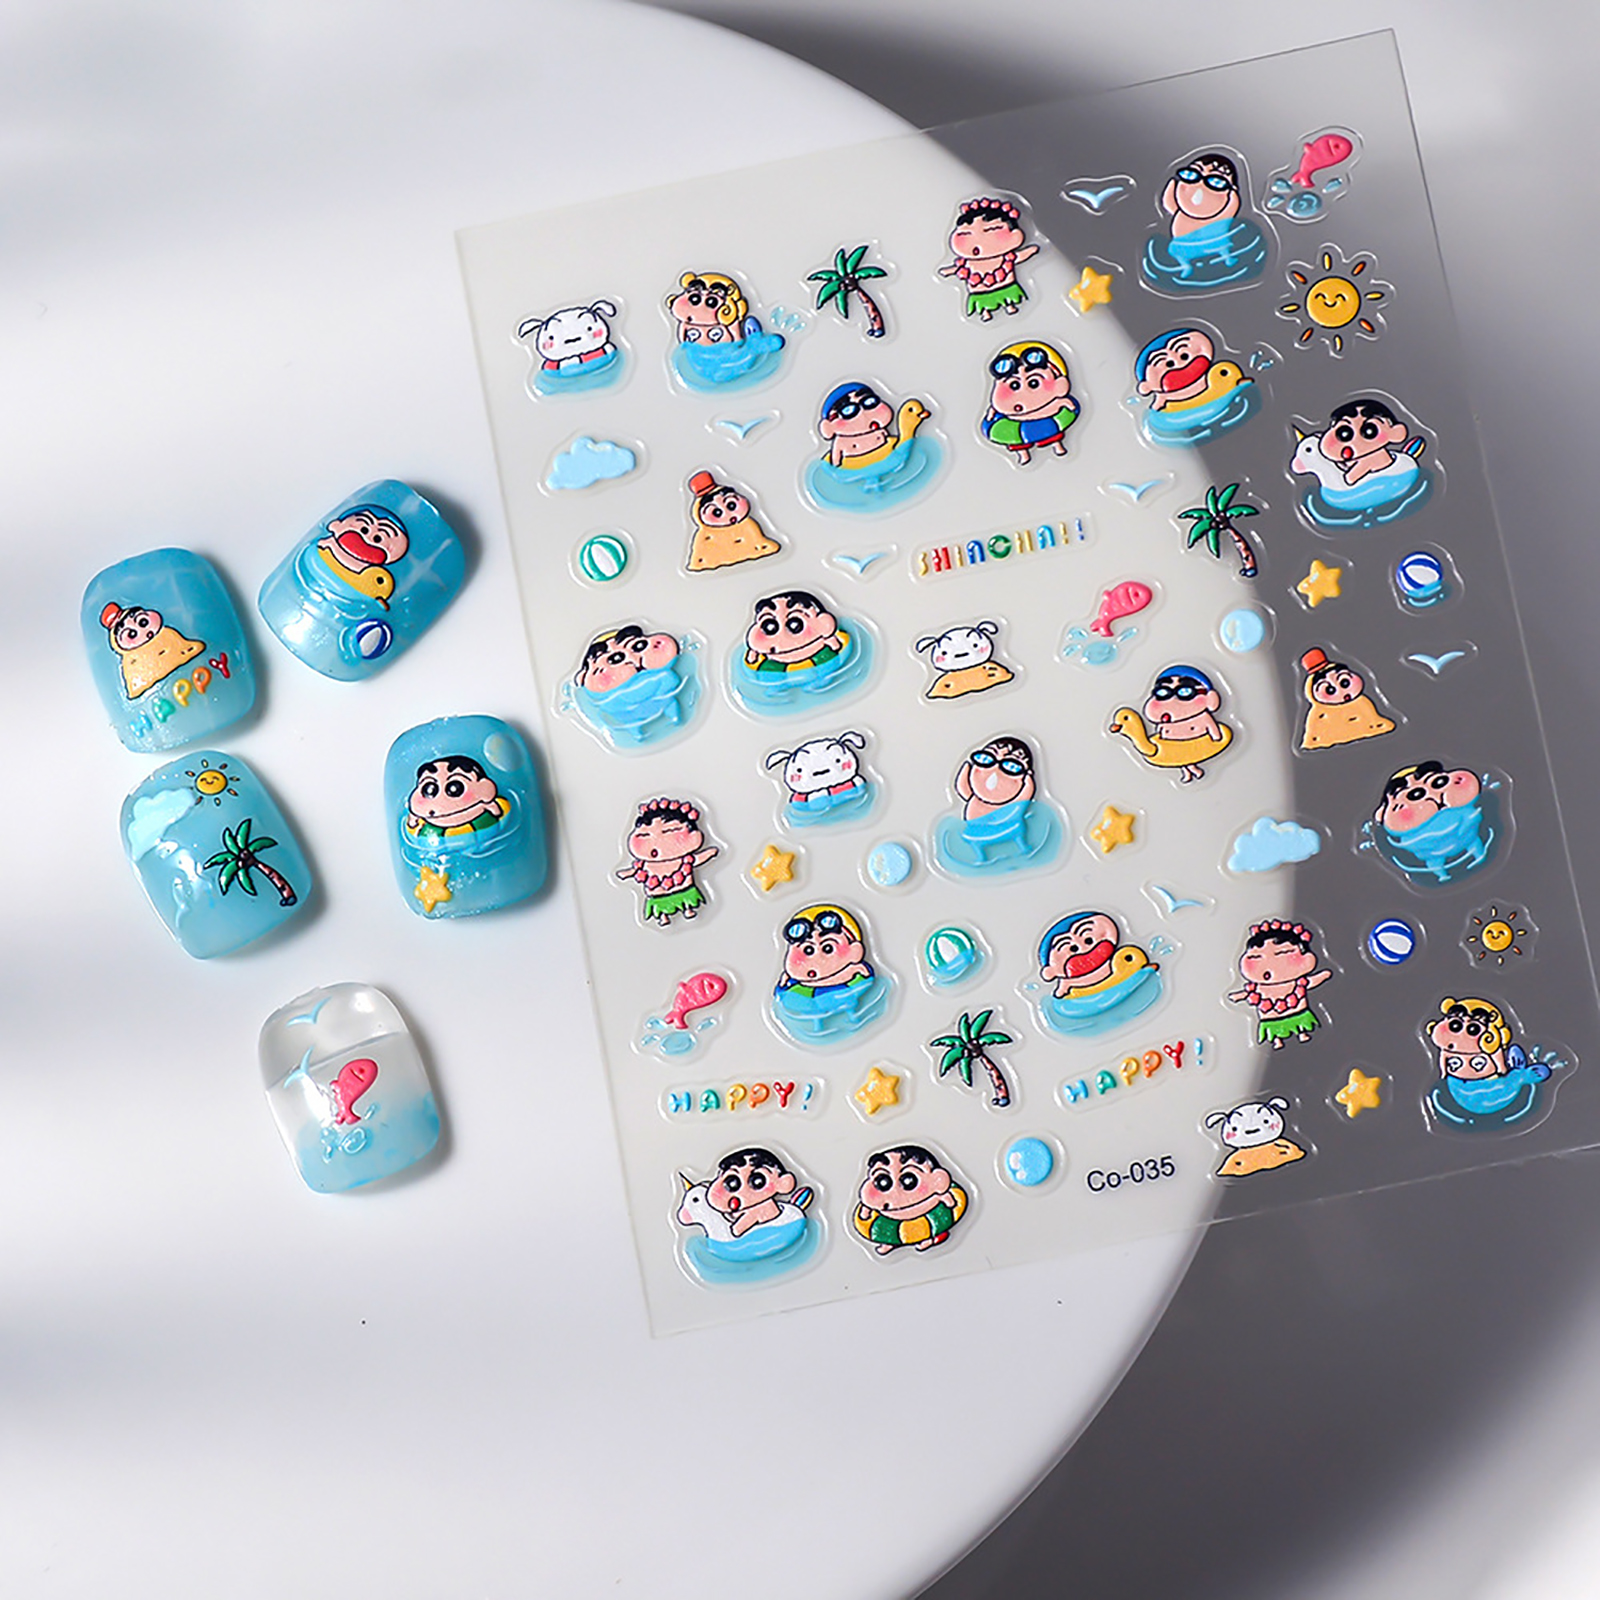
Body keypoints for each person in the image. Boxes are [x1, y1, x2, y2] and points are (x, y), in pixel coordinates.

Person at [1227, 920, 1333, 1047]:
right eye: (1256, 957)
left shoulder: (1298, 983)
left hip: (1297, 1010)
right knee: (1274, 1029)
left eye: (1283, 953)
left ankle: (1302, 1033)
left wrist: (1323, 976)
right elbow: (1248, 994)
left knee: (1300, 1022)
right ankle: (1277, 1040)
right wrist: (1238, 996)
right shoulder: (1258, 988)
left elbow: (1310, 982)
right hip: (1271, 1016)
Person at [616, 798, 718, 924]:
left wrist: (709, 853)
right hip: (658, 893)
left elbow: (696, 859)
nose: (656, 844)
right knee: (660, 905)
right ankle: (663, 916)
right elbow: (635, 871)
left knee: (687, 899)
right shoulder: (645, 865)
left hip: (683, 887)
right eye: (645, 835)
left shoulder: (685, 861)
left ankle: (688, 909)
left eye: (669, 832)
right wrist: (626, 873)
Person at [853, 1145, 967, 1254]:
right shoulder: (877, 1207)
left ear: (937, 1180)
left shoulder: (937, 1196)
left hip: (927, 1216)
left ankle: (930, 1239)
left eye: (909, 1180)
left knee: (936, 1229)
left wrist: (947, 1199)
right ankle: (890, 1243)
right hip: (891, 1218)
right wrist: (866, 1211)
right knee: (888, 1230)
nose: (895, 1191)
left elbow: (951, 1203)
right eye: (883, 1181)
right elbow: (864, 1216)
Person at [938, 197, 1038, 319]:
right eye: (966, 234)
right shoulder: (967, 263)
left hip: (1004, 284)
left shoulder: (1006, 258)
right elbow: (958, 269)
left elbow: (1019, 257)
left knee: (1008, 296)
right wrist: (948, 271)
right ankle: (985, 312)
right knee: (983, 302)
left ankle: (1009, 305)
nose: (978, 243)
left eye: (991, 230)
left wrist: (1031, 251)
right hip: (979, 290)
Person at [981, 342, 1078, 464]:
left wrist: (1064, 404)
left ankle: (1057, 445)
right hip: (1017, 424)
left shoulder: (1056, 403)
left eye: (1033, 383)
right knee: (1017, 439)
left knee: (1051, 432)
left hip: (1046, 421)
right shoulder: (1003, 411)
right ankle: (1023, 454)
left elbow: (1066, 406)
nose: (1024, 394)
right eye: (1014, 385)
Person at [405, 756, 510, 838]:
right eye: (429, 789)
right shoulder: (424, 823)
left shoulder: (488, 806)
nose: (443, 802)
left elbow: (498, 812)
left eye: (455, 788)